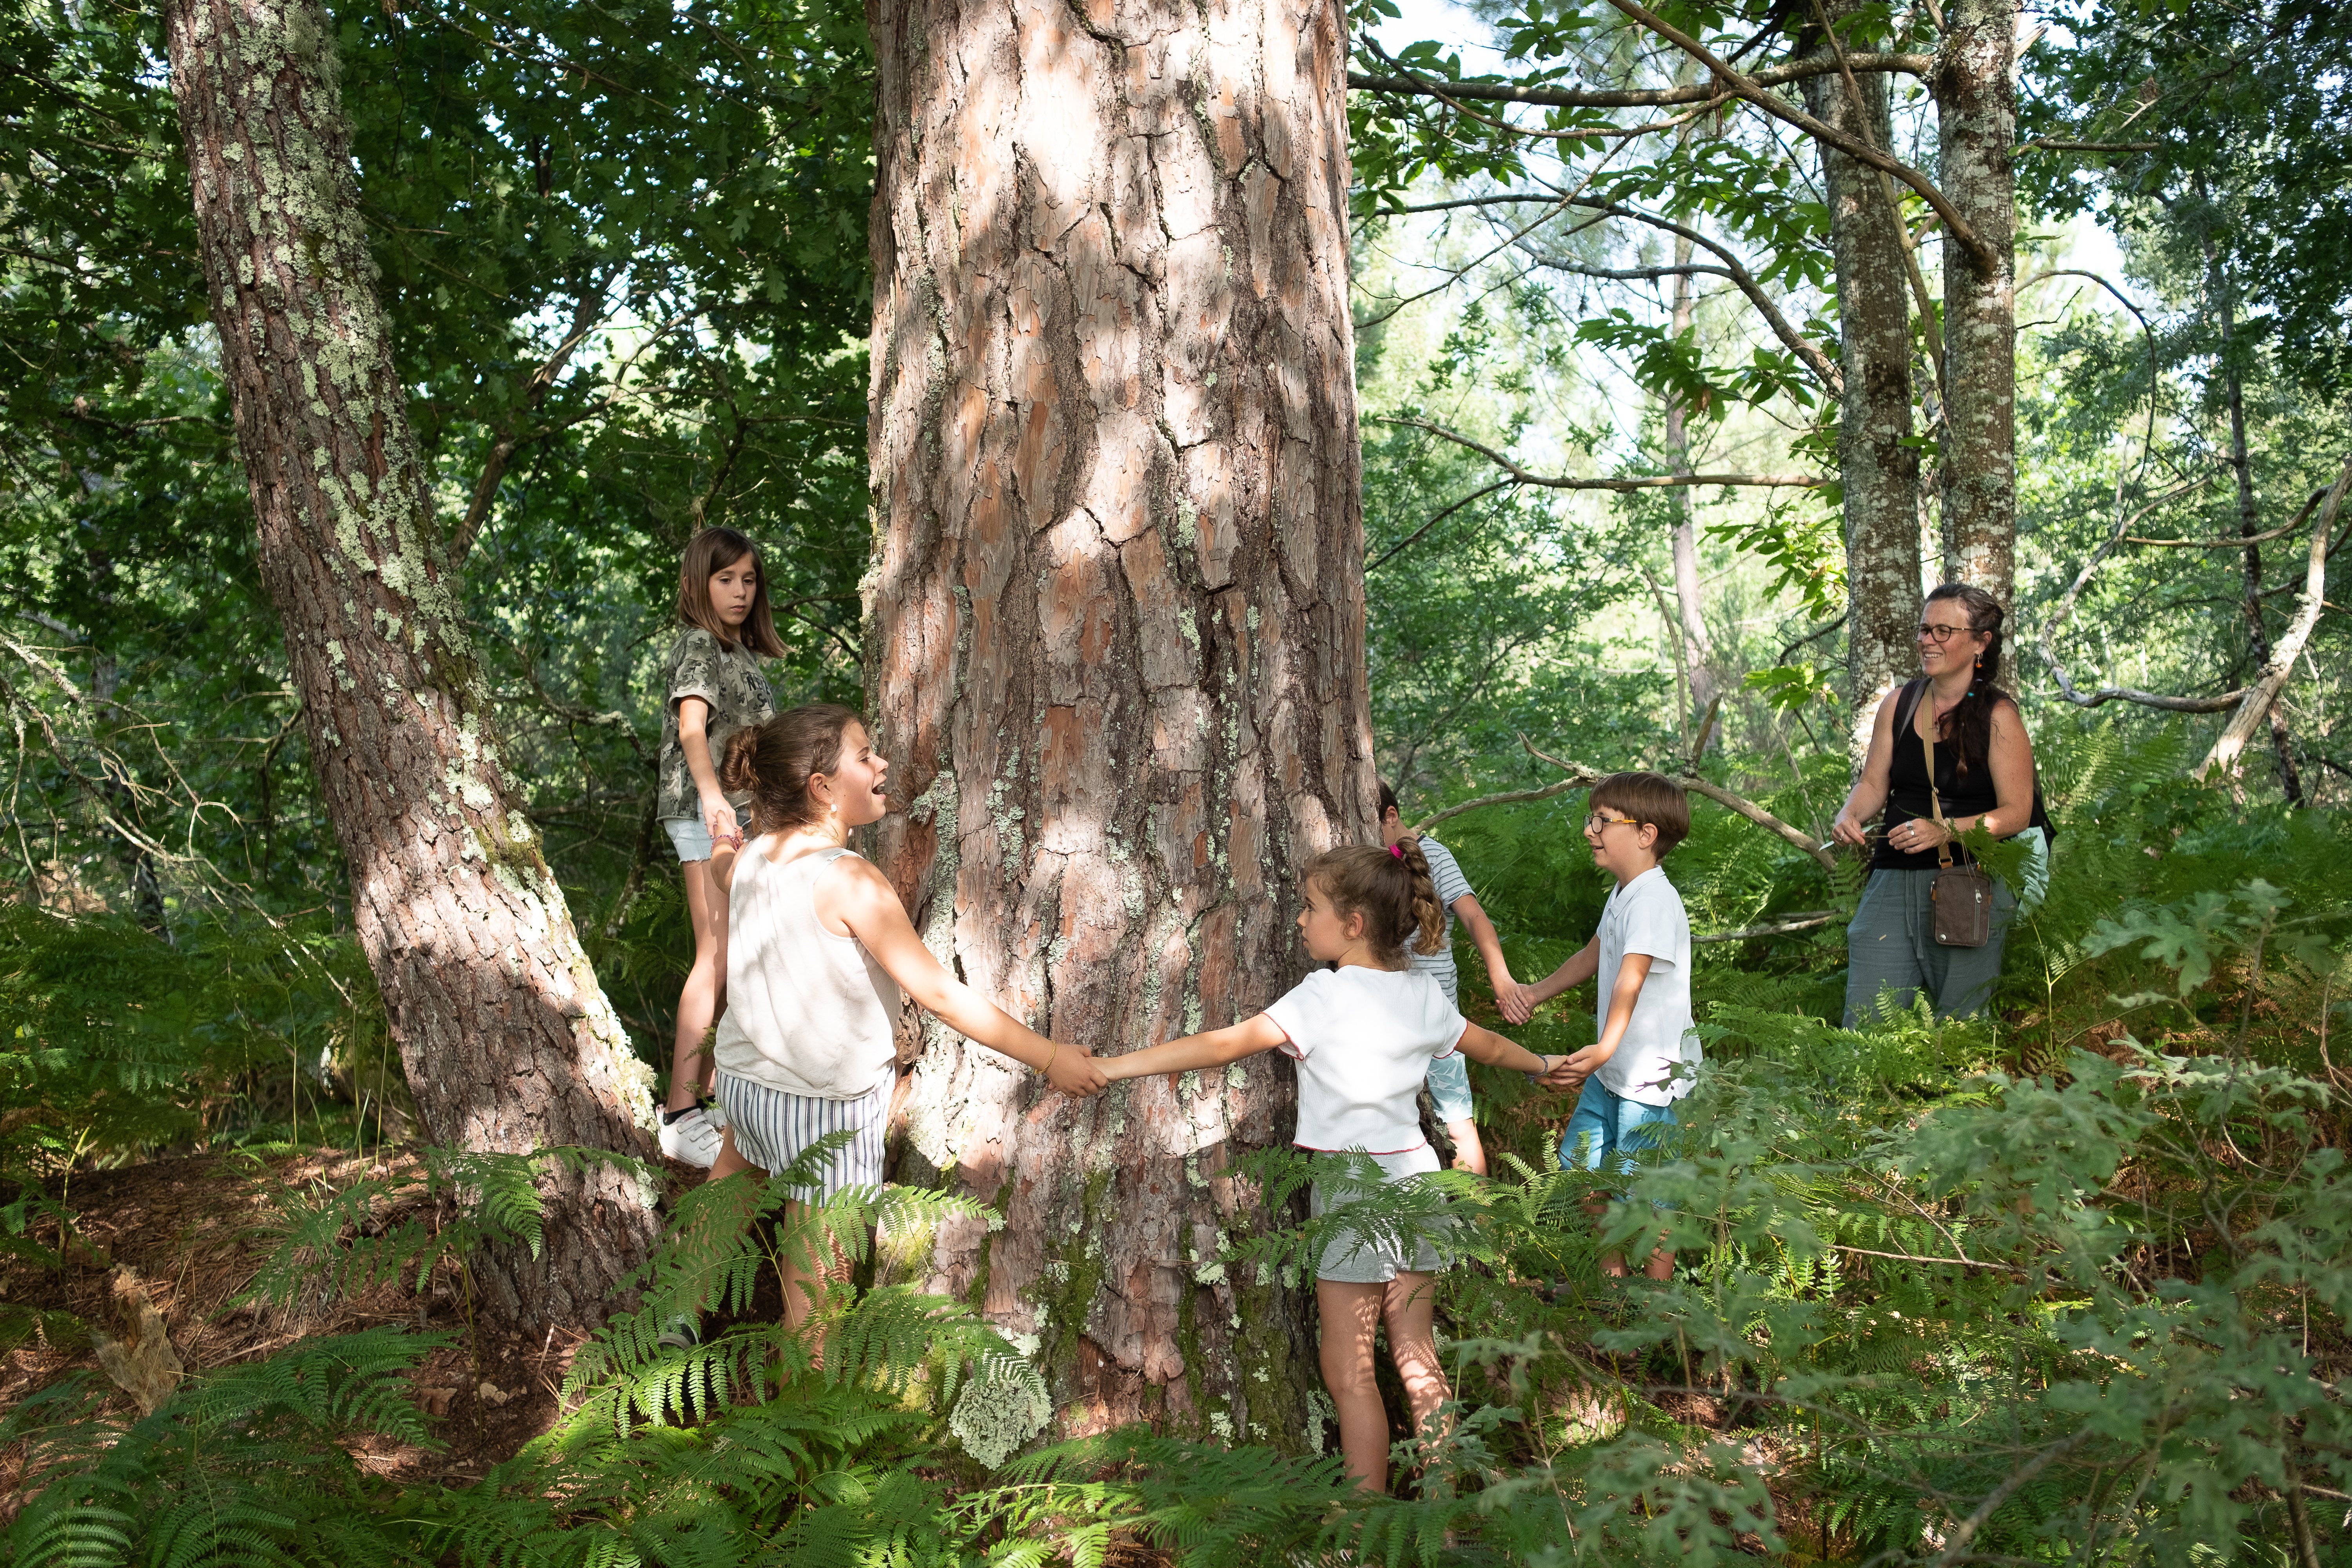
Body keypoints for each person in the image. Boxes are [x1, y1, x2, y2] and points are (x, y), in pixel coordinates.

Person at [1100, 841, 1570, 1492]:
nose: (1299, 919)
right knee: (1417, 1356)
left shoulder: (1324, 995)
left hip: (1354, 1191)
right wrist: (1547, 1065)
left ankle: (1361, 1518)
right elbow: (1485, 1045)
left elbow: (1222, 1044)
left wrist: (1112, 1067)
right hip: (1419, 1183)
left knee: (1348, 1371)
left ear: (1353, 925)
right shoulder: (1420, 992)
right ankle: (1444, 1508)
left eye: (1310, 907)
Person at [697, 704, 1108, 1336]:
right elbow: (939, 993)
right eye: (864, 757)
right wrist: (1051, 1058)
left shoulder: (756, 858)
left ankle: (670, 1321)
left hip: (749, 1091)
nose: (882, 762)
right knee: (815, 1304)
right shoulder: (850, 880)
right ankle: (801, 1420)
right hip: (823, 1115)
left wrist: (725, 840)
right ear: (823, 789)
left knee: (719, 1211)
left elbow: (724, 871)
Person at [1830, 583, 2048, 1027]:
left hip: (1970, 881)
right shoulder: (1900, 704)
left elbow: (2017, 813)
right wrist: (1849, 814)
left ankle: (1960, 1097)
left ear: (1980, 642)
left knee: (1962, 1021)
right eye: (1925, 630)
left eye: (1943, 631)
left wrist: (1946, 830)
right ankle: (1860, 1096)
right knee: (1869, 1019)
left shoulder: (1999, 716)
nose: (1928, 641)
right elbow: (1873, 783)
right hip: (1892, 873)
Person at [1514, 772, 1698, 1281]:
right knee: (1583, 1175)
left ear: (1647, 834)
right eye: (1591, 819)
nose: (1590, 830)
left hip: (1651, 1083)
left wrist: (1603, 1047)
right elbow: (1596, 955)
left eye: (1602, 821)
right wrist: (1534, 993)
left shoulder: (1655, 900)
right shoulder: (1623, 892)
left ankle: (1656, 1316)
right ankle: (1612, 1287)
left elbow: (1631, 981)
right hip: (1612, 1071)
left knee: (1649, 1201)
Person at [653, 527, 786, 1166]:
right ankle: (678, 1114)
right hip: (707, 814)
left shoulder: (740, 654)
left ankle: (709, 1102)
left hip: (742, 818)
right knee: (717, 954)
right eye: (725, 579)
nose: (739, 591)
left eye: (749, 579)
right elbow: (691, 728)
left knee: (739, 957)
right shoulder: (700, 645)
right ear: (700, 584)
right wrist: (711, 800)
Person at [1377, 782, 1526, 1177]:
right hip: (1387, 1023)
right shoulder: (1373, 863)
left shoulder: (1435, 857)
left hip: (1438, 1019)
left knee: (1458, 1125)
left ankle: (1477, 1221)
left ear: (1391, 816)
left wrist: (1502, 978)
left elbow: (1475, 917)